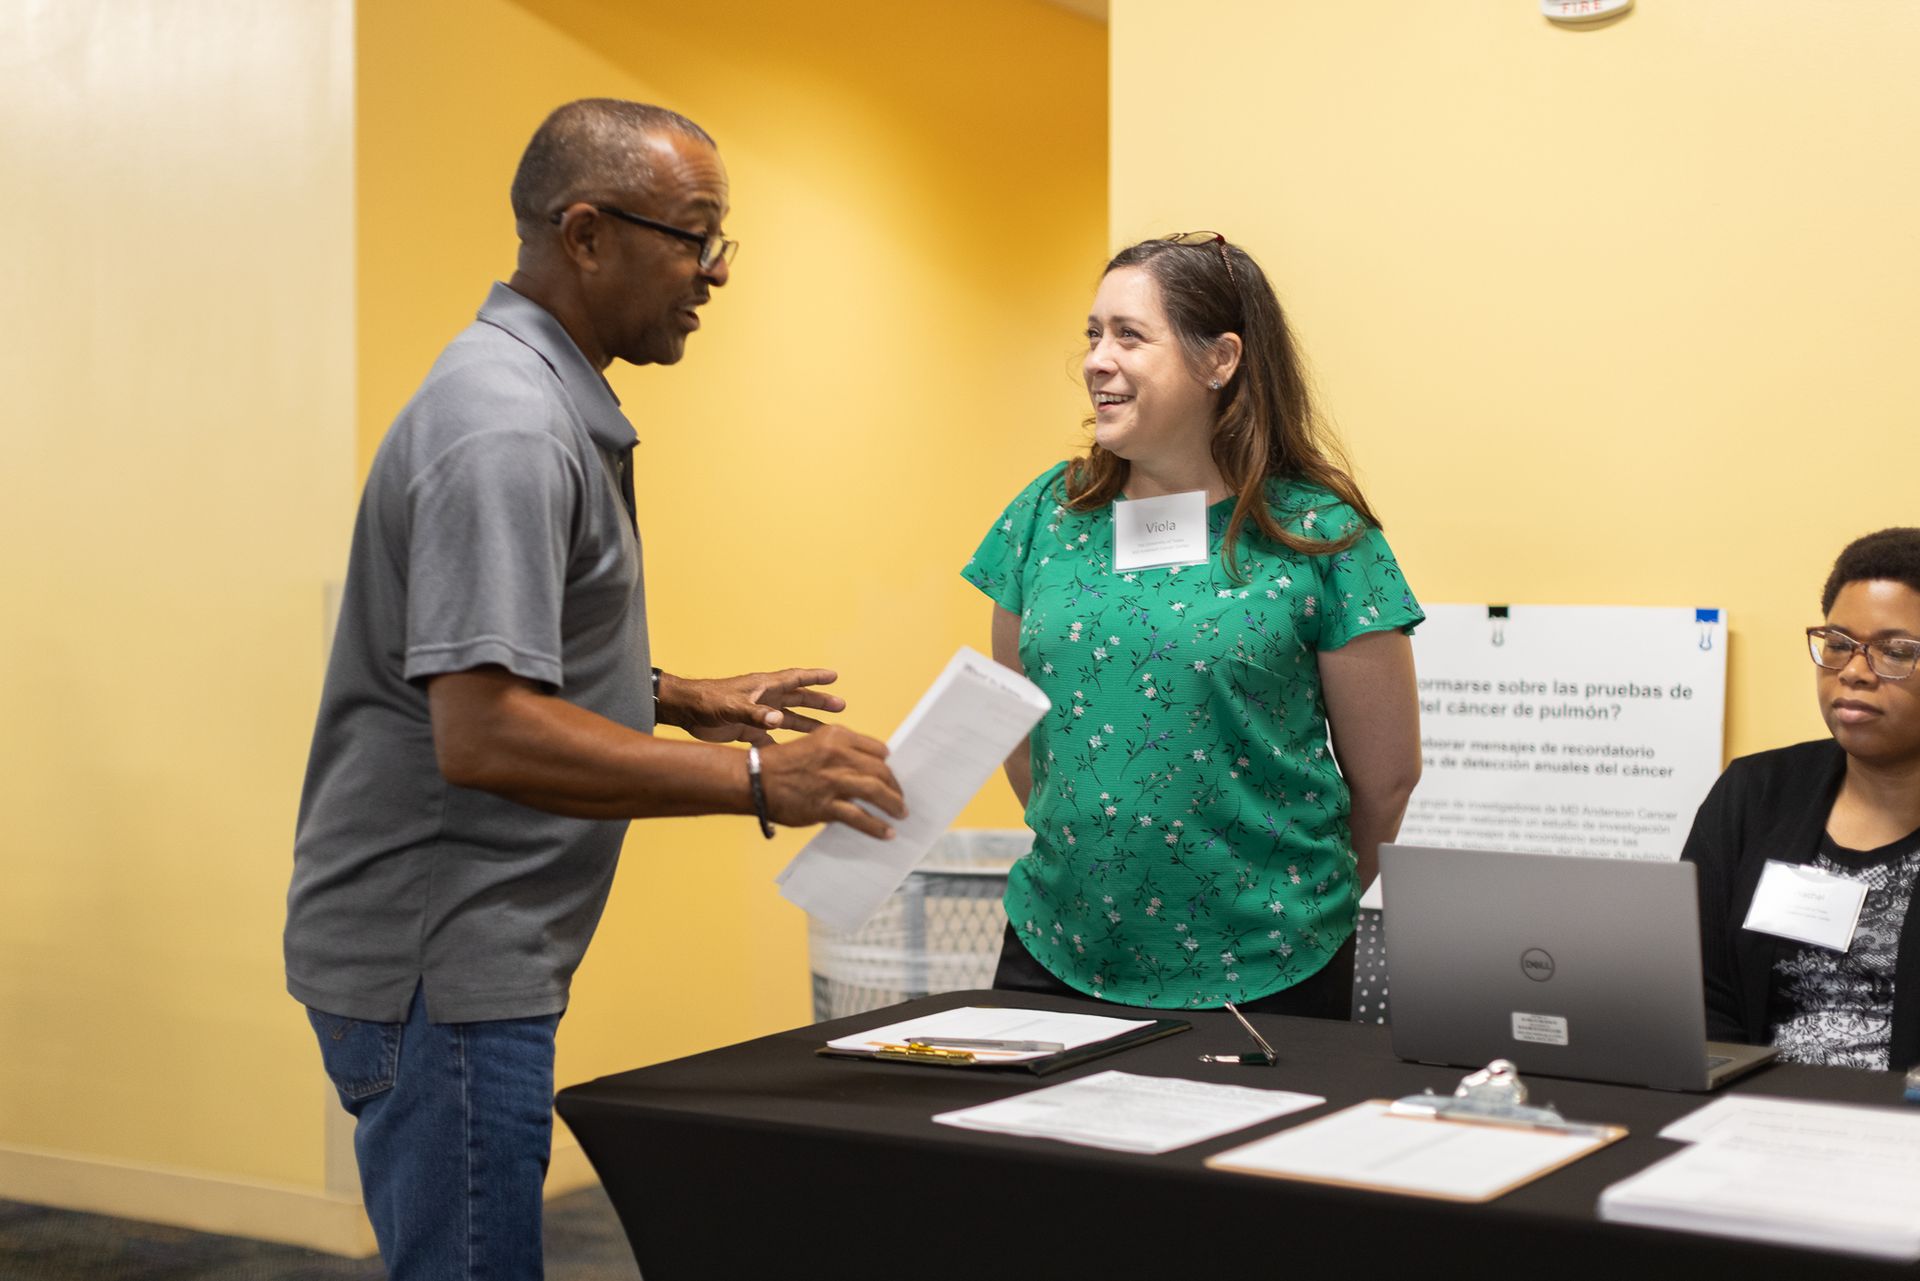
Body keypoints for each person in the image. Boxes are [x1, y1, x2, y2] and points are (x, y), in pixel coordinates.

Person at [284, 99, 906, 1280]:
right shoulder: (508, 425)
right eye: (694, 234)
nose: (716, 272)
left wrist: (667, 692)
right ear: (584, 234)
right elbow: (484, 732)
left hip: (458, 954)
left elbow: (480, 651)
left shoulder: (532, 398)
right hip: (442, 964)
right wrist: (763, 778)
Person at [962, 233, 1423, 1016]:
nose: (1096, 360)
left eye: (1129, 335)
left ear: (1221, 360)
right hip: (1059, 947)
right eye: (1093, 333)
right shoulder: (1049, 513)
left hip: (1268, 965)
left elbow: (1387, 779)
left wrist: (1281, 908)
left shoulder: (1319, 533)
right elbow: (1020, 732)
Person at [1683, 527, 1920, 1071]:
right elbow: (1697, 988)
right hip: (1753, 1114)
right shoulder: (1755, 791)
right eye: (1838, 645)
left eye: (1895, 651)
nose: (1855, 672)